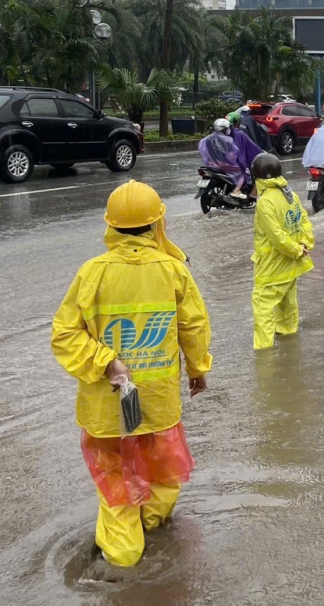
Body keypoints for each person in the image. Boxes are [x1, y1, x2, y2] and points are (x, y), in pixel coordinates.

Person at [51, 180, 212, 568]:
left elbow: (65, 334)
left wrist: (106, 361)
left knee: (115, 486)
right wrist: (197, 369)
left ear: (110, 225)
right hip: (157, 404)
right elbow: (193, 326)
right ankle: (151, 528)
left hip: (107, 411)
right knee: (162, 475)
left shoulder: (93, 273)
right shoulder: (173, 270)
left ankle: (123, 558)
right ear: (158, 223)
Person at [250, 153, 315, 351]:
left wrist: (296, 250)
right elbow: (303, 221)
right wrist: (303, 245)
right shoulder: (291, 195)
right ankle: (288, 342)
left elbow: (276, 236)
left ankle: (264, 351)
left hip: (272, 267)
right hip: (290, 266)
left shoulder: (265, 201)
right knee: (287, 306)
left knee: (263, 307)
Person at [198, 119, 247, 198]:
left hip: (211, 165)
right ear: (224, 129)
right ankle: (236, 191)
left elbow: (203, 151)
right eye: (227, 128)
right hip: (224, 166)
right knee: (244, 172)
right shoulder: (228, 140)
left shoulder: (206, 139)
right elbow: (233, 154)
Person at [226, 112, 264, 185]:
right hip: (236, 164)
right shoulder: (239, 133)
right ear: (237, 122)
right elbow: (252, 147)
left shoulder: (222, 133)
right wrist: (262, 153)